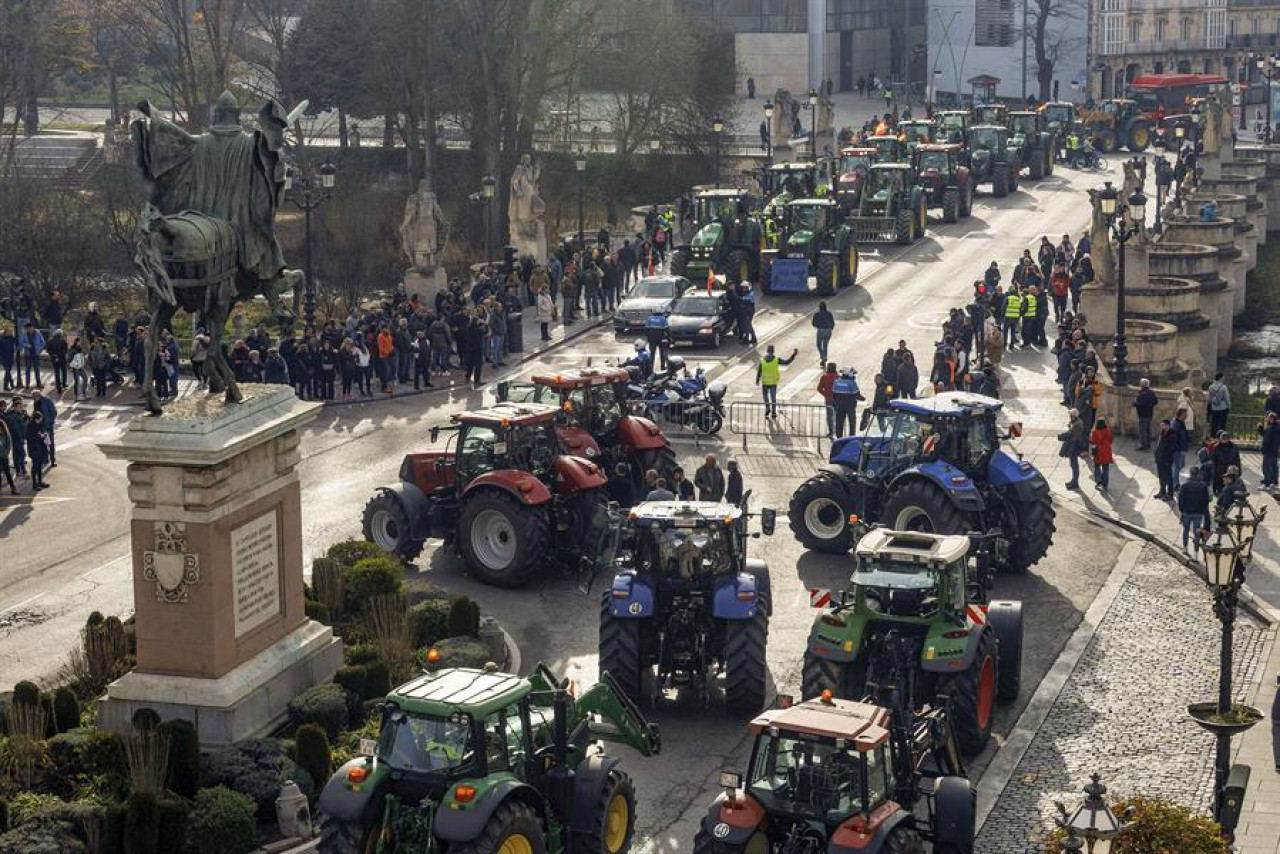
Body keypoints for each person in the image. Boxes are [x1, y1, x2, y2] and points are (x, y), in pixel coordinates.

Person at [756, 345, 798, 418]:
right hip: (773, 382)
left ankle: (767, 407)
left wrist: (757, 380)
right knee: (773, 398)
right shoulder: (776, 359)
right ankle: (774, 413)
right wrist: (793, 355)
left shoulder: (762, 360)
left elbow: (759, 371)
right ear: (773, 351)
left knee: (765, 397)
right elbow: (787, 362)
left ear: (767, 351)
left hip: (765, 382)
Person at [1177, 465, 1211, 555]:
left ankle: (1185, 547)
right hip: (1198, 512)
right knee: (1197, 533)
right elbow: (1206, 500)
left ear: (1190, 474)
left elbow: (1181, 500)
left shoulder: (1185, 485)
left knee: (1186, 530)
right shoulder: (1203, 486)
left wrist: (1182, 510)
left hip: (1187, 512)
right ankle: (1195, 553)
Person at [1059, 408, 1087, 489]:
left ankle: (1075, 483)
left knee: (1074, 466)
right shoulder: (1076, 422)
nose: (1069, 417)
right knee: (1073, 465)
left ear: (1073, 416)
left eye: (1070, 415)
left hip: (1074, 447)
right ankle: (1073, 481)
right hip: (1073, 446)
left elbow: (1071, 434)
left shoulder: (1077, 424)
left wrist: (1061, 436)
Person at [831, 368, 863, 438]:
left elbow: (834, 394)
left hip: (839, 405)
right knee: (852, 422)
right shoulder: (851, 383)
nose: (854, 375)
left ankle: (839, 438)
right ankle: (851, 437)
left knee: (839, 422)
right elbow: (857, 394)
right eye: (853, 374)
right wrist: (863, 399)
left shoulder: (836, 381)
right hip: (850, 406)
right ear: (850, 374)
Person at [1210, 431, 1242, 495]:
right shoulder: (1216, 447)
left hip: (1230, 471)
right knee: (1221, 489)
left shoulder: (1234, 447)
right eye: (1223, 439)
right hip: (1220, 471)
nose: (1224, 441)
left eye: (1225, 439)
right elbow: (1214, 461)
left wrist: (1239, 470)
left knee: (1230, 489)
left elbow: (1237, 459)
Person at [31, 389, 56, 468]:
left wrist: (50, 422)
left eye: (34, 397)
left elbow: (54, 412)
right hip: (40, 426)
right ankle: (45, 459)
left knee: (50, 443)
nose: (34, 399)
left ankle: (52, 460)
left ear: (38, 396)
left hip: (48, 425)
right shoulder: (36, 402)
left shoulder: (47, 401)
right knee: (43, 443)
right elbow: (35, 412)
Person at [1153, 419, 1177, 500]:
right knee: (1161, 476)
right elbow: (1159, 444)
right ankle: (1162, 491)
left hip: (1166, 460)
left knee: (1168, 477)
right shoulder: (1162, 433)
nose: (1161, 427)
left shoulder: (1172, 435)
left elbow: (1172, 448)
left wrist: (1165, 456)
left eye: (1163, 425)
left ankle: (1170, 494)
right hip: (1160, 459)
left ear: (1168, 425)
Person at [26, 410, 49, 490]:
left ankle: (39, 481)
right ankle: (34, 484)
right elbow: (31, 438)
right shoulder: (31, 426)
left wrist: (42, 434)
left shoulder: (37, 425)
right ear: (37, 418)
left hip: (39, 449)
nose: (41, 420)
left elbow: (41, 431)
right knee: (35, 467)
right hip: (34, 450)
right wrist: (41, 436)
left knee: (39, 466)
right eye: (40, 419)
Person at [1089, 417, 1113, 492]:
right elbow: (1110, 440)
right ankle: (1105, 484)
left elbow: (1093, 441)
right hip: (1107, 451)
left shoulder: (1095, 432)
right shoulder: (1108, 431)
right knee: (1105, 469)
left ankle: (1098, 480)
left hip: (1098, 451)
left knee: (1097, 466)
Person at [1133, 378, 1158, 450]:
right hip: (1150, 413)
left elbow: (1140, 404)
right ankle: (1148, 444)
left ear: (1142, 385)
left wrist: (1135, 404)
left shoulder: (1142, 394)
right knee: (1148, 430)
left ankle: (1143, 445)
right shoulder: (1152, 392)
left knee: (1142, 431)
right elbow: (1156, 402)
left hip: (1142, 415)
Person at [0, 400, 17, 493]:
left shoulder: (2, 425)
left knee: (7, 472)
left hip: (3, 455)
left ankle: (13, 488)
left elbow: (9, 441)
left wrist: (6, 453)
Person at [1261, 412, 1280, 490]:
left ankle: (1267, 484)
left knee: (1266, 467)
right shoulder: (1276, 427)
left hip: (1269, 450)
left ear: (1271, 419)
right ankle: (1274, 482)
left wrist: (1263, 448)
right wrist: (1261, 430)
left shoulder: (1271, 428)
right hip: (1275, 450)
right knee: (1274, 467)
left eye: (1268, 418)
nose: (1267, 419)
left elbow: (1267, 438)